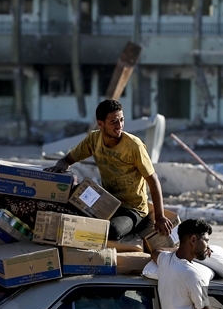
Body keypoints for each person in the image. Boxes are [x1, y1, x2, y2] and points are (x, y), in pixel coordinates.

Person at [46, 99, 172, 240]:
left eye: (122, 120)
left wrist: (160, 217)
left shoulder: (134, 146)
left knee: (112, 231)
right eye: (114, 122)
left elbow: (153, 179)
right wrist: (58, 169)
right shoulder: (94, 139)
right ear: (101, 124)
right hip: (106, 201)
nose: (120, 126)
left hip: (132, 208)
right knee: (66, 202)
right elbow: (67, 160)